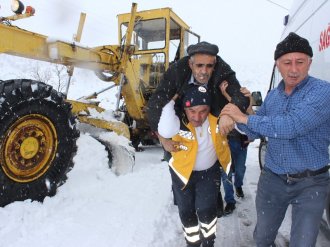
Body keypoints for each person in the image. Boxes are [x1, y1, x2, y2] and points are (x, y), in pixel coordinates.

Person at [221, 32, 330, 246]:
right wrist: (242, 110)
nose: (294, 69)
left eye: (300, 62)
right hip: (272, 180)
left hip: (311, 183)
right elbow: (253, 130)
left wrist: (240, 116)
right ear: (277, 65)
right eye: (287, 62)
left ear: (310, 62)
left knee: (304, 242)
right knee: (262, 237)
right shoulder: (273, 96)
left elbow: (291, 126)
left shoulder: (323, 91)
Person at [158, 86, 231, 247]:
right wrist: (164, 141)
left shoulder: (218, 120)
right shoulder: (176, 120)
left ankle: (208, 242)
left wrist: (240, 103)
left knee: (206, 211)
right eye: (192, 111)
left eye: (203, 111)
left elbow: (239, 121)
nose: (197, 117)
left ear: (209, 109)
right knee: (186, 212)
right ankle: (192, 243)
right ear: (184, 109)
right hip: (182, 175)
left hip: (208, 174)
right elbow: (157, 122)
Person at [219, 81, 254, 215]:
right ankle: (230, 201)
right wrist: (224, 93)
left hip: (241, 143)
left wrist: (250, 100)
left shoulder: (245, 104)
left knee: (239, 170)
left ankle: (238, 185)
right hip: (225, 143)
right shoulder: (225, 105)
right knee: (225, 173)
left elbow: (250, 118)